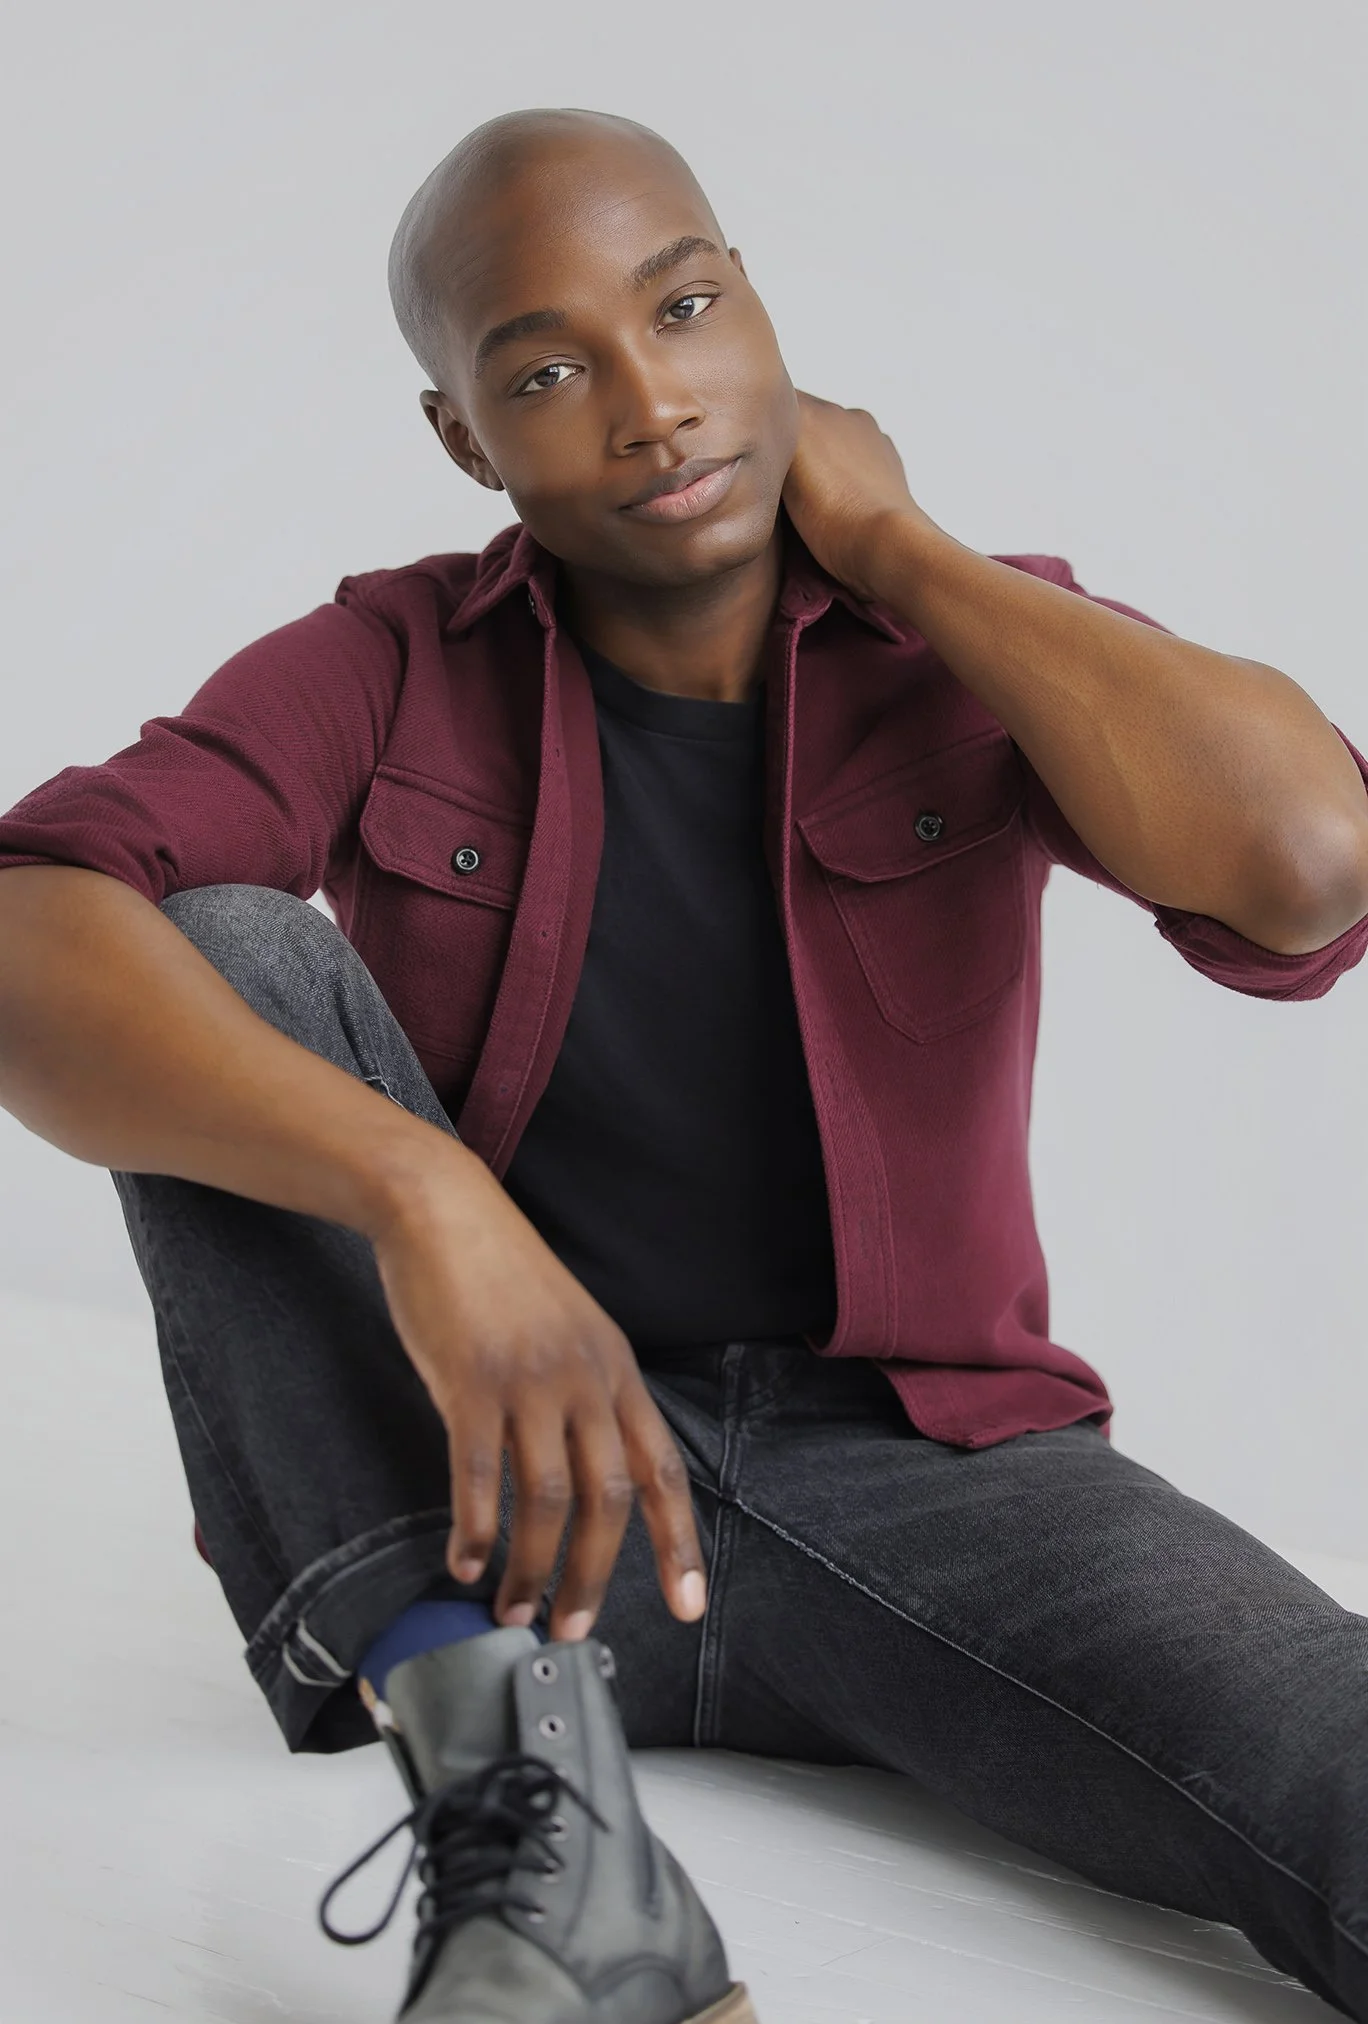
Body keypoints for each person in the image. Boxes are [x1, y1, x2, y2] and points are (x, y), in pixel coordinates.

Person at [2, 103, 1368, 2024]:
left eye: (688, 308)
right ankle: (555, 1858)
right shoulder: (393, 660)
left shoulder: (971, 633)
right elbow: (28, 925)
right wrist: (425, 1199)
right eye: (549, 370)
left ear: (763, 319)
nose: (650, 406)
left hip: (938, 1479)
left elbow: (1309, 874)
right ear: (467, 439)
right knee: (205, 947)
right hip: (511, 1495)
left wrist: (905, 541)